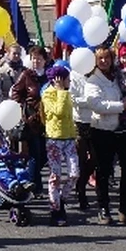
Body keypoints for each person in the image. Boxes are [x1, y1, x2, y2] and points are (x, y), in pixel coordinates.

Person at [85, 46, 126, 225]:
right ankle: (103, 208)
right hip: (102, 130)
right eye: (100, 58)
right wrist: (121, 106)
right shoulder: (92, 80)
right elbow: (96, 104)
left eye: (107, 57)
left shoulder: (117, 76)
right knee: (103, 172)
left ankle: (125, 209)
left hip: (122, 130)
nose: (104, 61)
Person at [40, 64, 78, 226]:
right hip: (54, 139)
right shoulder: (48, 94)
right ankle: (55, 209)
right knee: (55, 176)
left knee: (74, 173)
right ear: (59, 80)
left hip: (69, 138)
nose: (69, 82)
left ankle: (61, 199)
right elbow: (59, 111)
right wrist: (61, 91)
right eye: (67, 79)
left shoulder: (67, 93)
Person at [9, 45, 49, 194]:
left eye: (39, 58)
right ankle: (33, 186)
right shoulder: (26, 75)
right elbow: (15, 92)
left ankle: (31, 179)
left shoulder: (49, 76)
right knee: (35, 153)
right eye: (33, 58)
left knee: (44, 155)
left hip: (48, 120)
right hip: (32, 121)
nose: (36, 61)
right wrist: (22, 108)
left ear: (45, 60)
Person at [69, 65, 95, 211]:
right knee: (81, 159)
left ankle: (82, 183)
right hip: (79, 122)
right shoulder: (74, 76)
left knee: (95, 160)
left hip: (95, 121)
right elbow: (73, 99)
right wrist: (91, 101)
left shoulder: (97, 75)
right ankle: (81, 193)